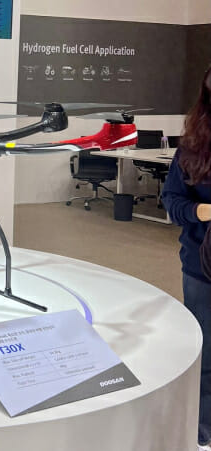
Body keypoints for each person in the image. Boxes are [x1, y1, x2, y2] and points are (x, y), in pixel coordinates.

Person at [162, 65, 211, 451]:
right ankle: (202, 429)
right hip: (202, 265)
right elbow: (171, 200)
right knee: (205, 352)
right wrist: (202, 212)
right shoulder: (194, 146)